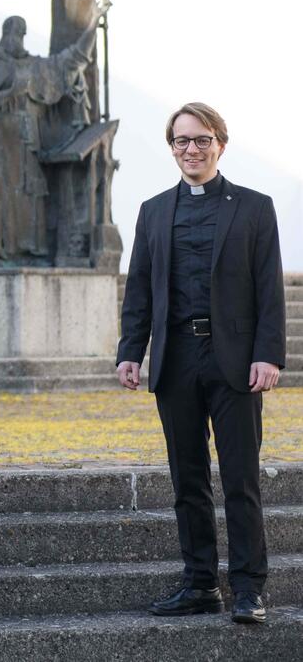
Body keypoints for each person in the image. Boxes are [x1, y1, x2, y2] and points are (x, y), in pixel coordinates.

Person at [117, 102, 286, 625]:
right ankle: (198, 584)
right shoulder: (152, 210)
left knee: (240, 478)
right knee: (187, 479)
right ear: (172, 148)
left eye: (201, 140)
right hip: (176, 360)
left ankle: (248, 588)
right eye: (181, 141)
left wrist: (268, 355)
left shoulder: (255, 208)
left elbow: (269, 290)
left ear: (220, 143)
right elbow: (140, 287)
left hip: (235, 361)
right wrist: (130, 350)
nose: (191, 150)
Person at [0, 6, 105, 262]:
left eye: (22, 33)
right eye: (14, 31)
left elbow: (71, 62)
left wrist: (93, 24)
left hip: (28, 147)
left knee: (29, 202)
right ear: (5, 32)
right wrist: (7, 94)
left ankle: (27, 254)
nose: (17, 38)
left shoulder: (34, 66)